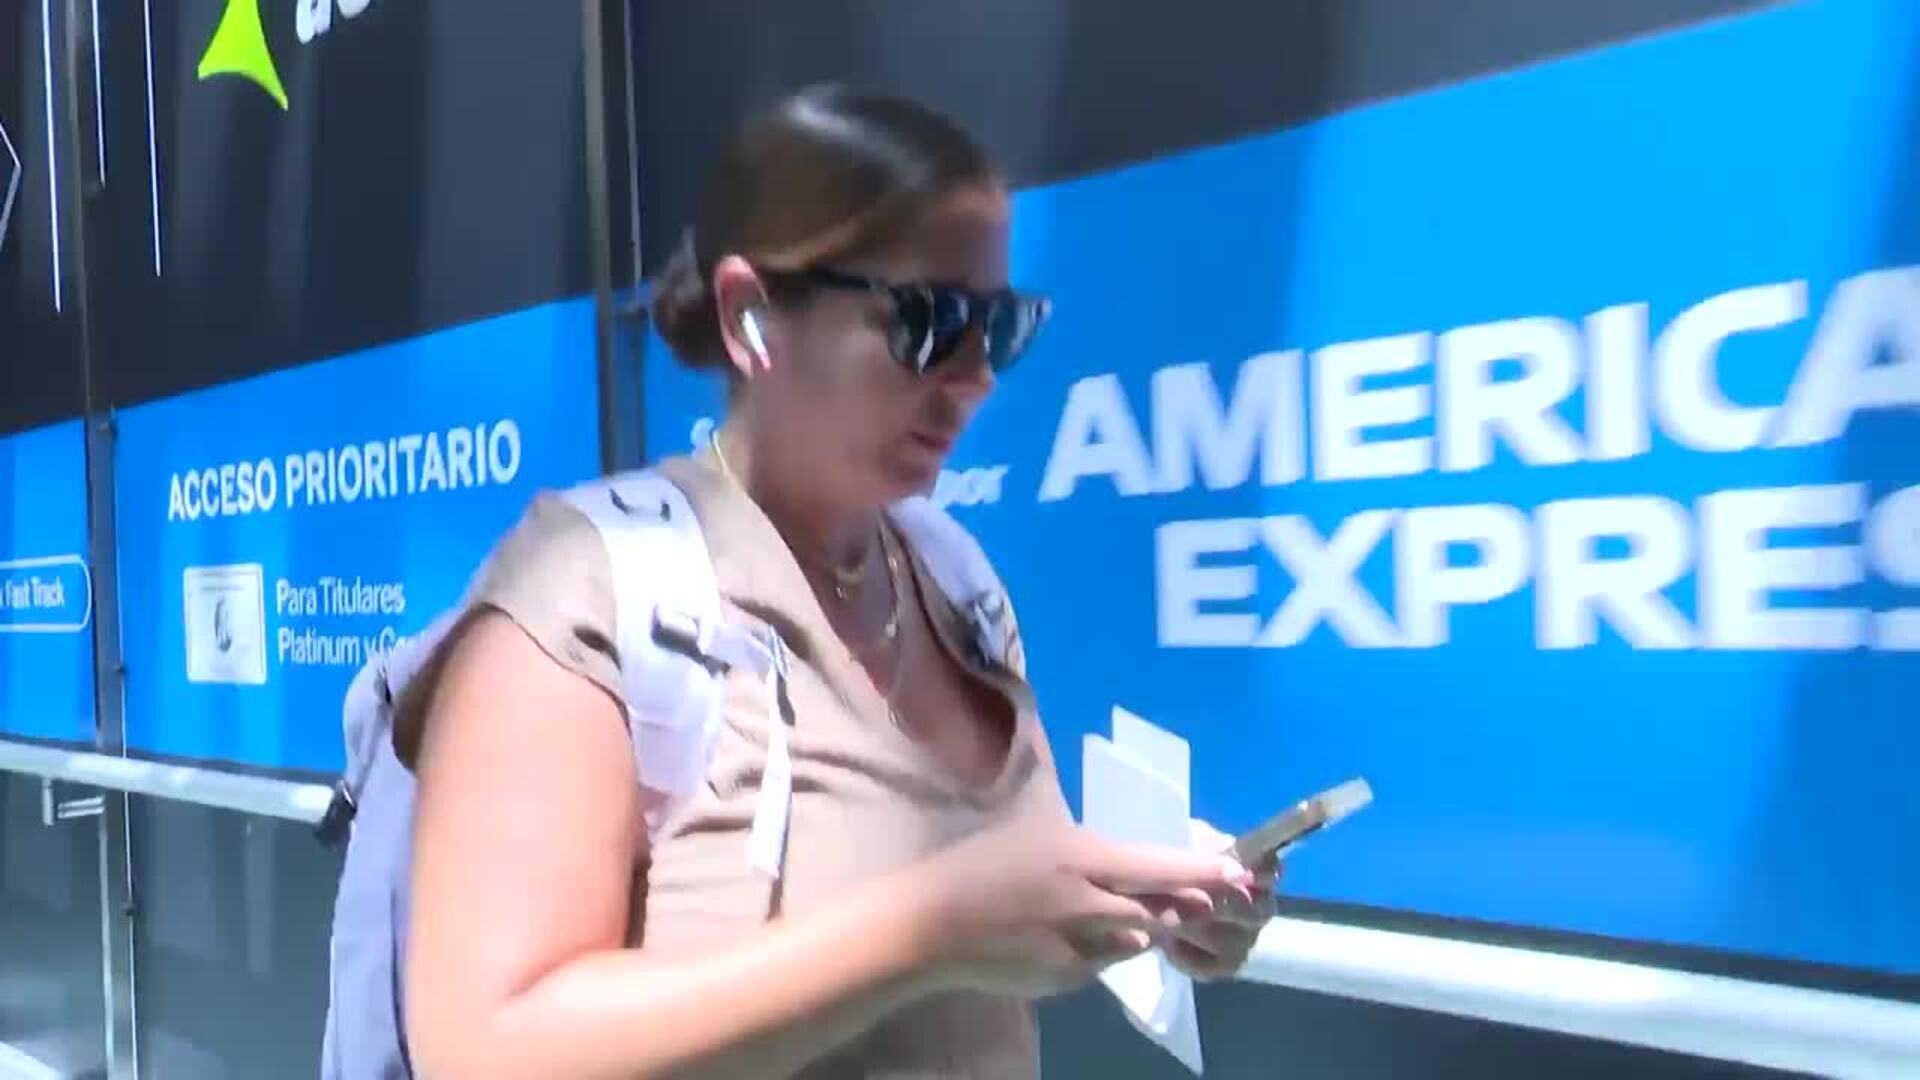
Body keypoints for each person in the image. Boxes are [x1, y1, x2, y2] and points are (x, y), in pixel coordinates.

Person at [396, 85, 1278, 1079]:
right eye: (931, 321)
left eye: (1002, 327)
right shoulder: (586, 588)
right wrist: (931, 928)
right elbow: (484, 1049)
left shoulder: (957, 583)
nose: (976, 375)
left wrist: (1151, 897)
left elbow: (1011, 900)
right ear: (752, 317)